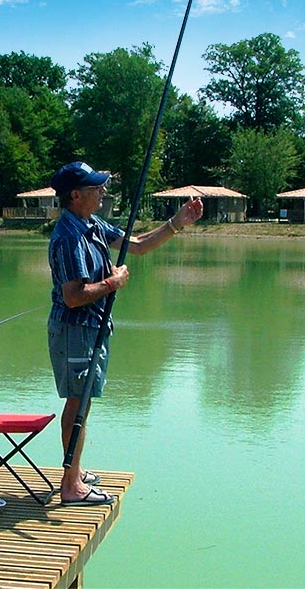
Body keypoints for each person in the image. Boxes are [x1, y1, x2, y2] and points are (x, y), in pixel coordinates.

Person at [47, 161, 203, 506]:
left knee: (82, 401)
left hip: (91, 328)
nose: (103, 191)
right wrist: (111, 283)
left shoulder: (91, 225)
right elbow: (73, 296)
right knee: (78, 402)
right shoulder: (68, 237)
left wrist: (178, 223)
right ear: (75, 195)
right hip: (76, 329)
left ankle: (74, 471)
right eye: (95, 188)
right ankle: (70, 485)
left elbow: (138, 245)